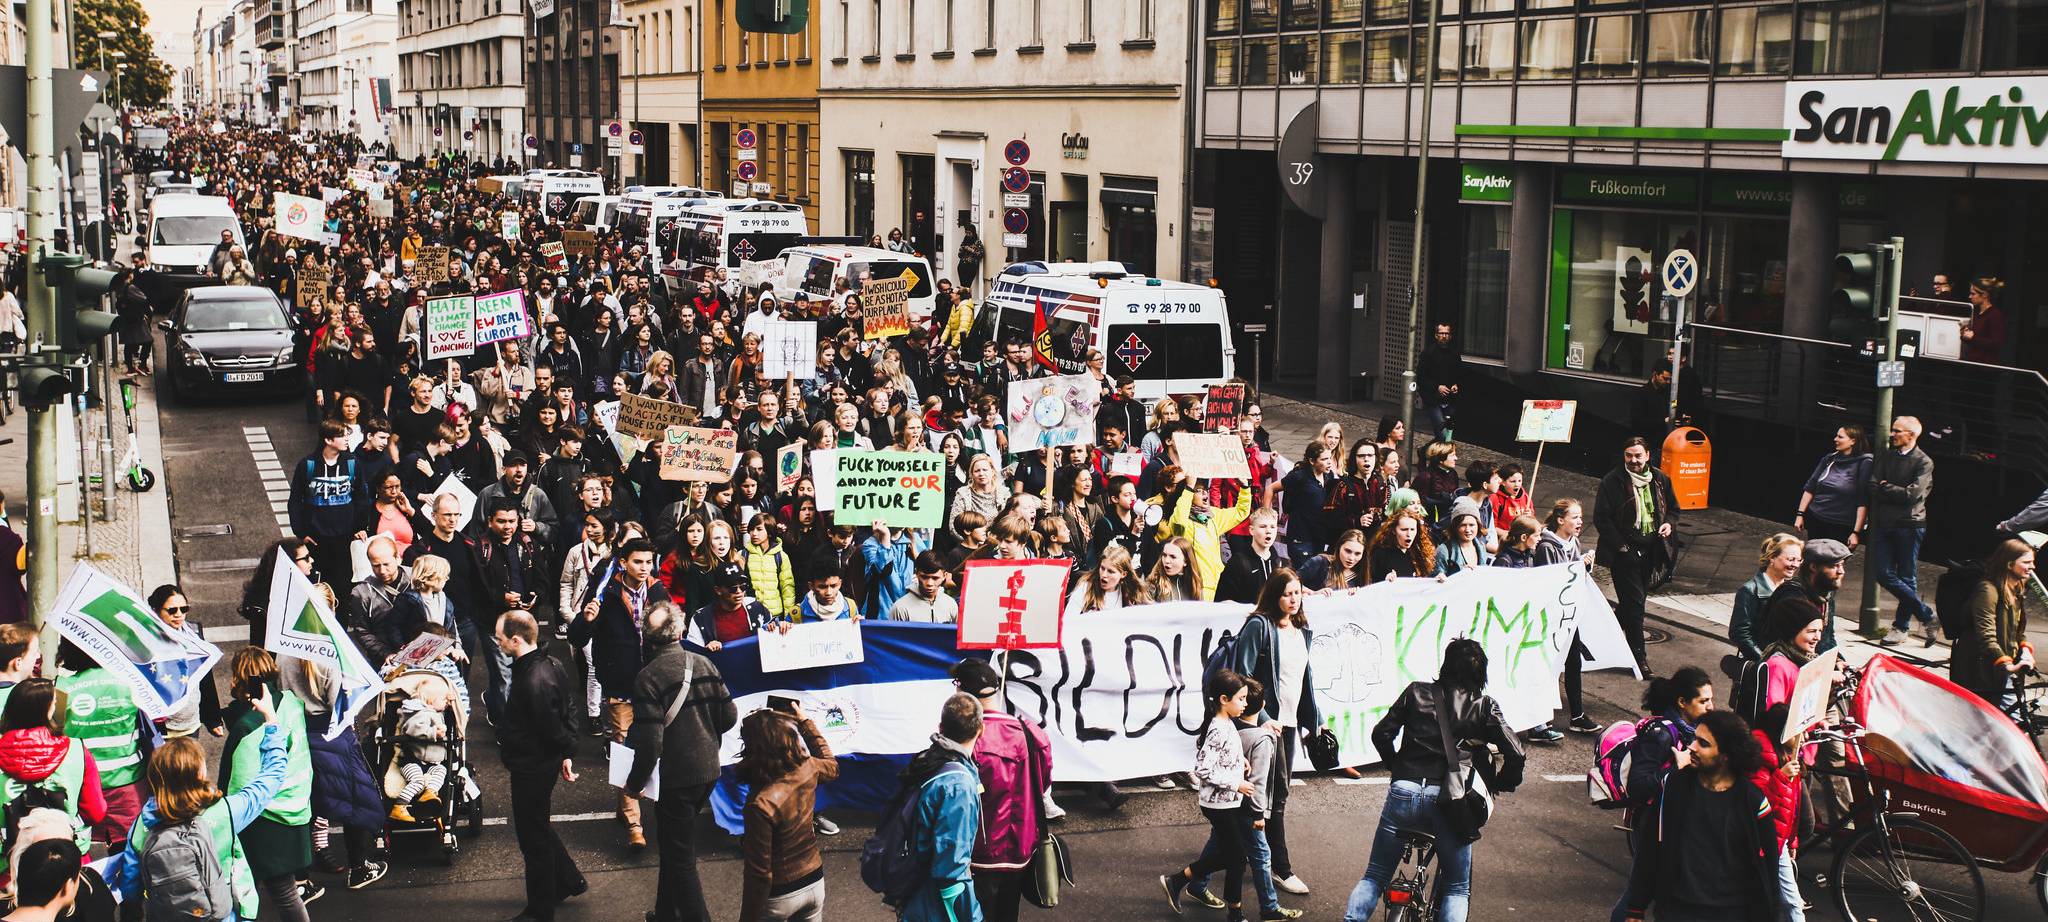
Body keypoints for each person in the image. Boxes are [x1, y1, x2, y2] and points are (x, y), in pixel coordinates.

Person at [1341, 638, 1525, 922]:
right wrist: (1503, 782)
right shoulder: (1484, 706)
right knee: (1456, 888)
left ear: (1446, 664)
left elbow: (1381, 734)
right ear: (1481, 673)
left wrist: (1397, 767)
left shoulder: (1416, 692)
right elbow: (1516, 752)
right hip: (1448, 802)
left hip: (1404, 790)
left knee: (1376, 875)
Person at [107, 701, 291, 922]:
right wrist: (271, 721)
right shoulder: (225, 812)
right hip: (225, 914)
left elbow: (130, 885)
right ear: (200, 774)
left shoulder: (142, 823)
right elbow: (272, 775)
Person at [626, 603, 737, 922]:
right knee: (674, 847)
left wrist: (634, 784)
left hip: (675, 778)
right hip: (708, 770)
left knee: (681, 858)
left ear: (648, 638)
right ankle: (665, 914)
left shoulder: (648, 677)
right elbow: (729, 716)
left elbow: (650, 743)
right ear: (679, 631)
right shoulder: (704, 663)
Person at [1161, 670, 1299, 922]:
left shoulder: (1226, 724)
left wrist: (1240, 762)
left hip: (1226, 802)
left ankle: (1231, 911)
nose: (1245, 705)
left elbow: (1223, 756)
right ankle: (1180, 880)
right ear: (1224, 699)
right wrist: (1236, 783)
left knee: (1235, 857)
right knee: (1235, 857)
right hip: (1218, 804)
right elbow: (1202, 768)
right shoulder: (1219, 729)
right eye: (1241, 699)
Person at [1619, 711, 1782, 922]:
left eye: (1703, 743)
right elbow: (1650, 849)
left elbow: (1769, 867)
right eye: (1695, 738)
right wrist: (1635, 908)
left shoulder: (1752, 802)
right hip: (1677, 911)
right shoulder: (1674, 786)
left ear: (1726, 755)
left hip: (1732, 913)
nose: (1692, 747)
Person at [1224, 571, 1317, 897]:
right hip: (1264, 727)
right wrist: (1262, 717)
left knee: (1265, 795)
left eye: (1298, 593)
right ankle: (1281, 868)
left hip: (1288, 725)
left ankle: (1229, 855)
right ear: (1274, 595)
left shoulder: (1301, 631)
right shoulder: (1258, 626)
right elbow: (1242, 677)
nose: (1294, 599)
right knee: (1274, 797)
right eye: (1288, 593)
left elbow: (1303, 682)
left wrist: (1313, 720)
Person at [568, 536, 665, 850]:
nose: (644, 568)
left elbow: (672, 630)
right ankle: (634, 823)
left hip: (654, 685)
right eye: (638, 562)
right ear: (623, 562)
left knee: (655, 749)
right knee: (625, 749)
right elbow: (576, 635)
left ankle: (628, 806)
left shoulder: (658, 590)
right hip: (621, 685)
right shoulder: (606, 593)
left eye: (648, 562)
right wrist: (586, 619)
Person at [496, 610, 588, 922]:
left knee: (531, 837)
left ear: (516, 640)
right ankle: (566, 880)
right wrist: (565, 752)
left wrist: (564, 748)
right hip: (540, 761)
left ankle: (539, 910)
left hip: (532, 766)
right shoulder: (551, 664)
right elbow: (567, 709)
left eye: (501, 638)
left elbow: (552, 727)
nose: (498, 643)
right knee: (537, 825)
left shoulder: (532, 680)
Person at [1605, 668, 1715, 922]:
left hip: (1676, 817)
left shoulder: (1694, 728)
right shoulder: (1661, 734)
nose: (1711, 706)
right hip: (1654, 820)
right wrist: (1677, 768)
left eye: (1711, 699)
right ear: (1682, 702)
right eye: (1703, 701)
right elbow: (1639, 785)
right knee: (1642, 887)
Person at [218, 648, 317, 920]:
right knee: (285, 892)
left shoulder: (247, 726)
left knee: (246, 891)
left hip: (263, 821)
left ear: (240, 679)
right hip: (294, 808)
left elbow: (236, 784)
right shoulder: (290, 703)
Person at [949, 659, 1050, 922]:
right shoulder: (1029, 731)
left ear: (962, 693)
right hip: (1021, 848)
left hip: (979, 852)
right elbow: (1044, 783)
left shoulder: (967, 739)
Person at [735, 700, 837, 922]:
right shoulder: (808, 768)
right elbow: (831, 763)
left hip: (779, 895)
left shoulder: (759, 805)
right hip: (814, 880)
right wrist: (805, 722)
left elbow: (759, 874)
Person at [51, 643, 146, 855]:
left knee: (84, 853)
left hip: (81, 789)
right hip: (128, 786)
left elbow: (55, 734)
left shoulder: (59, 688)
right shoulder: (129, 682)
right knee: (131, 854)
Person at [898, 693, 986, 922]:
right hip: (935, 900)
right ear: (981, 730)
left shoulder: (928, 760)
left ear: (941, 727)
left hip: (913, 884)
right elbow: (951, 866)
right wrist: (972, 916)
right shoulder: (959, 785)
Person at [1595, 437, 1678, 673]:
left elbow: (1674, 508)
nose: (1633, 460)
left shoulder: (1660, 479)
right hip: (1625, 553)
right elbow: (1602, 518)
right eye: (1629, 456)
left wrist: (1669, 524)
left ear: (1648, 456)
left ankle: (1600, 637)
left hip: (1652, 551)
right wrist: (1622, 546)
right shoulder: (1612, 481)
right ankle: (1639, 659)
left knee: (1632, 603)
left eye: (1638, 456)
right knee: (1636, 606)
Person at [0, 679, 104, 863]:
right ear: (46, 711)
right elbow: (96, 812)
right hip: (68, 857)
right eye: (54, 703)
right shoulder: (76, 750)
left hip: (10, 860)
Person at [1871, 416, 1938, 647]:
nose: (1892, 434)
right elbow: (1872, 485)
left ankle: (1901, 627)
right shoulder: (1886, 456)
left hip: (1910, 524)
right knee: (1883, 573)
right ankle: (1927, 615)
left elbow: (1912, 495)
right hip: (1886, 522)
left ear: (1911, 435)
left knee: (1907, 577)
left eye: (1897, 431)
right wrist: (1889, 489)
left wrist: (1885, 487)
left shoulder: (1923, 462)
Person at [1953, 536, 2035, 708]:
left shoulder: (2016, 590)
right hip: (1982, 668)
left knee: (2009, 723)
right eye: (2026, 562)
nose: (2032, 567)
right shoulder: (1988, 590)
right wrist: (2004, 662)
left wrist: (2025, 650)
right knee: (2002, 723)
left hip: (2004, 668)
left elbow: (2017, 630)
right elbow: (1986, 634)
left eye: (2032, 562)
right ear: (2009, 563)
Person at [287, 420, 366, 593]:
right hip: (317, 538)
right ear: (328, 440)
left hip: (345, 537)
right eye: (342, 436)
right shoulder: (308, 465)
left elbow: (361, 496)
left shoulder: (352, 463)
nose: (346, 439)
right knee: (318, 584)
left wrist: (360, 526)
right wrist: (301, 532)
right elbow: (295, 500)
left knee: (344, 585)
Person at [146, 587, 225, 739]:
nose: (179, 614)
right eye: (172, 610)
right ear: (156, 610)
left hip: (190, 725)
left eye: (184, 609)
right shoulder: (145, 640)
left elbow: (204, 675)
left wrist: (213, 719)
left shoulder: (193, 635)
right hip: (160, 728)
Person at [1765, 538, 1850, 657]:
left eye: (1841, 565)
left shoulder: (1826, 596)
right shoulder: (1792, 598)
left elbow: (1827, 638)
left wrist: (1838, 660)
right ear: (1813, 567)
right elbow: (1786, 647)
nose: (1841, 571)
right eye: (1834, 566)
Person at [1729, 535, 1802, 661]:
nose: (1795, 565)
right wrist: (1765, 662)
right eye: (1790, 559)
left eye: (1799, 560)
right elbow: (1740, 633)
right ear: (1772, 558)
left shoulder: (1793, 588)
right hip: (1761, 665)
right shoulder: (1749, 590)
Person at [1794, 427, 1871, 546]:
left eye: (1840, 437)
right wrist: (1800, 514)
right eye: (1836, 436)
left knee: (1832, 561)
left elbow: (1863, 500)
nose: (1835, 439)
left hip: (1842, 524)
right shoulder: (1829, 459)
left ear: (1853, 441)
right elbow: (1810, 487)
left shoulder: (1865, 462)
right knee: (1814, 558)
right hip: (1818, 518)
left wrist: (1856, 532)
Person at [1214, 509, 1283, 605]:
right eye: (1263, 527)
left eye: (1273, 527)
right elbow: (1221, 601)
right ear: (1251, 530)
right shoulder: (1238, 562)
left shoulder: (1279, 563)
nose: (1268, 531)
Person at [1417, 322, 1461, 441]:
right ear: (1436, 335)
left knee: (1446, 433)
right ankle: (1442, 457)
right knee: (1442, 433)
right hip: (1433, 399)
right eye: (1441, 333)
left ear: (1450, 336)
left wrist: (1456, 385)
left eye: (1447, 333)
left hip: (1450, 399)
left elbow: (1459, 373)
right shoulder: (1428, 353)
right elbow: (1421, 377)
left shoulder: (1454, 353)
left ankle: (1424, 452)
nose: (1444, 336)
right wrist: (1437, 387)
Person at [1366, 507, 1435, 582]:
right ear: (1393, 530)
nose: (1409, 534)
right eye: (1404, 529)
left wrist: (1436, 579)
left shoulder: (1419, 552)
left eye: (1412, 529)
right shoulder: (1380, 554)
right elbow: (1370, 583)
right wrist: (1385, 581)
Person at [889, 552, 961, 623]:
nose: (929, 583)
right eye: (924, 577)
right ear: (916, 573)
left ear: (944, 576)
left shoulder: (950, 604)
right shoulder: (900, 608)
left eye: (935, 578)